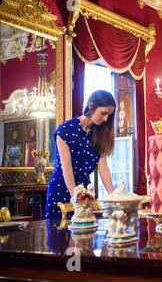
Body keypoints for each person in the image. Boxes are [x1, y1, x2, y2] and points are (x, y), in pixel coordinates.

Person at [45, 90, 116, 219]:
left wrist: (115, 198)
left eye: (109, 116)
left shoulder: (100, 134)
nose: (106, 119)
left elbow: (103, 167)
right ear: (91, 106)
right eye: (103, 113)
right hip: (61, 188)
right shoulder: (65, 130)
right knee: (59, 235)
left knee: (85, 236)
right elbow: (67, 167)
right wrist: (77, 199)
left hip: (84, 190)